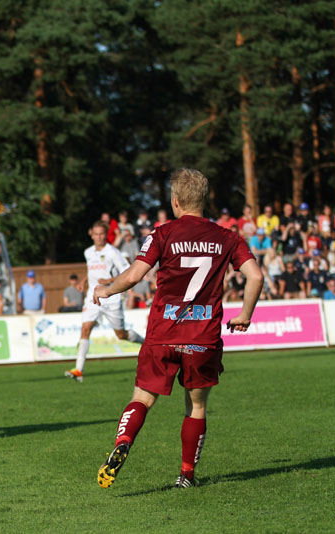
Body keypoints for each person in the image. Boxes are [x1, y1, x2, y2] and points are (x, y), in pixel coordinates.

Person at [92, 168, 261, 490]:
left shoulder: (162, 233)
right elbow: (256, 277)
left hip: (162, 334)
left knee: (142, 397)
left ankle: (124, 441)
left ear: (176, 201)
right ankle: (186, 475)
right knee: (195, 406)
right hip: (202, 336)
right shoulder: (228, 237)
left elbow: (133, 277)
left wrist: (106, 289)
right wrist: (245, 314)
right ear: (204, 200)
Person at [65, 221, 144, 382]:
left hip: (111, 297)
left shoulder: (112, 252)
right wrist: (84, 282)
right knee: (85, 328)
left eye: (102, 233)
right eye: (96, 233)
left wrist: (110, 280)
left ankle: (146, 343)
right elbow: (92, 270)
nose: (99, 236)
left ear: (105, 235)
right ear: (91, 234)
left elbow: (127, 270)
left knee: (121, 335)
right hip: (92, 298)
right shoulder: (88, 252)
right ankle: (78, 370)